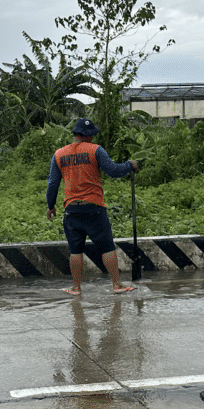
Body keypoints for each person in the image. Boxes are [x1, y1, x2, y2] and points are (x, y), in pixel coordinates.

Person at [46, 117, 138, 295]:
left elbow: (53, 184)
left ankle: (75, 288)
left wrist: (51, 206)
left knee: (75, 249)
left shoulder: (58, 154)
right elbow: (113, 170)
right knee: (106, 247)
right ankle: (117, 285)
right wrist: (129, 165)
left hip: (71, 209)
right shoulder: (96, 150)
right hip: (94, 207)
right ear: (88, 136)